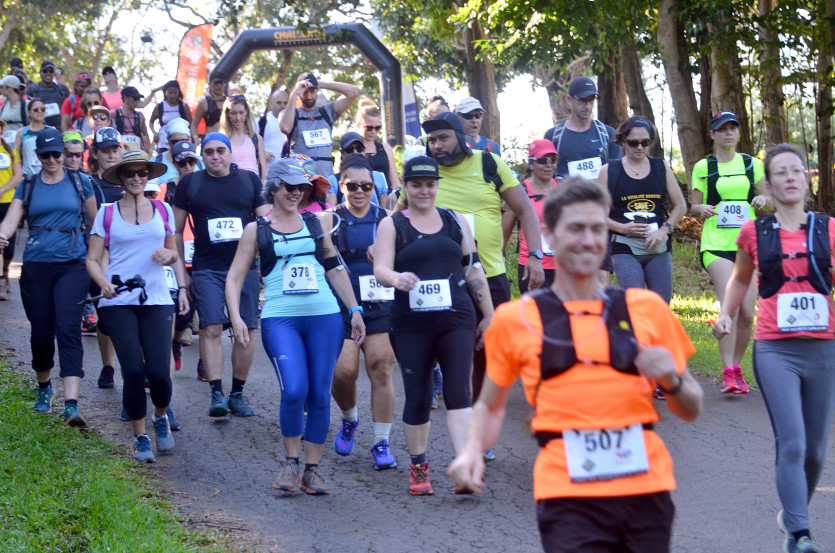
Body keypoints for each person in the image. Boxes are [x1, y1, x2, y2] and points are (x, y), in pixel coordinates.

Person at [448, 177, 703, 552]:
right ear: (550, 234)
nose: (588, 240)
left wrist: (672, 379)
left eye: (597, 228)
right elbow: (490, 405)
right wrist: (471, 450)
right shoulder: (517, 319)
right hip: (566, 494)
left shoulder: (647, 310)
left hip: (646, 489)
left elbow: (691, 408)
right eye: (575, 228)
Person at [713, 143, 834, 553]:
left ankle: (791, 513)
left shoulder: (829, 229)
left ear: (806, 179)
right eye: (780, 172)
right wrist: (726, 313)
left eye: (795, 170)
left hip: (823, 349)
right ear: (768, 184)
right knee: (793, 442)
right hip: (776, 350)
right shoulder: (754, 232)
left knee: (815, 452)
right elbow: (740, 279)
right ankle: (800, 534)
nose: (789, 178)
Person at [225, 158, 366, 495]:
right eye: (289, 187)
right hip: (280, 318)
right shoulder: (256, 230)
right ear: (274, 187)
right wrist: (236, 317)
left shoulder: (316, 223)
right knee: (293, 390)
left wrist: (355, 309)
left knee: (319, 394)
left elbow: (334, 268)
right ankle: (290, 461)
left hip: (324, 317)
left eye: (301, 188)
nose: (296, 193)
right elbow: (234, 278)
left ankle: (312, 470)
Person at [417, 112, 544, 461]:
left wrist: (535, 255)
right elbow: (400, 215)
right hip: (440, 281)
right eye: (432, 140)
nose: (436, 146)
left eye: (443, 138)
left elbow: (525, 210)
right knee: (446, 354)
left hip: (489, 274)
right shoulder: (426, 171)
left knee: (485, 354)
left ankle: (476, 427)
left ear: (460, 137)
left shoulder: (489, 164)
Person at [375, 155, 493, 495]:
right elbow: (381, 269)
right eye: (416, 185)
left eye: (430, 184)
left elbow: (473, 268)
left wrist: (489, 314)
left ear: (438, 186)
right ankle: (418, 467)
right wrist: (396, 278)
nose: (424, 191)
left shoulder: (455, 220)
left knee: (458, 392)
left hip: (456, 317)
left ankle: (465, 466)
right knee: (419, 395)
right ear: (406, 187)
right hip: (412, 323)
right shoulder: (392, 224)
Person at [86, 144, 186, 462]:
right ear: (121, 178)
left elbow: (174, 253)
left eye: (141, 172)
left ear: (148, 175)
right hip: (118, 301)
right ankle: (140, 437)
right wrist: (103, 283)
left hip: (156, 298)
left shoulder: (163, 210)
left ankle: (160, 416)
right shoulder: (107, 212)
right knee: (132, 370)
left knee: (159, 372)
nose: (136, 178)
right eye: (129, 173)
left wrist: (169, 256)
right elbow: (92, 259)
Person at [0, 127, 98, 426]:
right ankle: (44, 386)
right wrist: (2, 236)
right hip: (36, 266)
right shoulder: (28, 185)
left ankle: (71, 405)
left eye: (57, 153)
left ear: (65, 153)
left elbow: (97, 223)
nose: (52, 159)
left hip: (72, 265)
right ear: (38, 156)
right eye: (46, 155)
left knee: (68, 328)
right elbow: (11, 221)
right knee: (41, 333)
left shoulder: (80, 182)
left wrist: (99, 262)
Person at [172, 132, 269, 417]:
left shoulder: (249, 180)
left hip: (244, 268)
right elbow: (175, 231)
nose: (215, 156)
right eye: (209, 152)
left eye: (220, 151)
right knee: (211, 327)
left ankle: (237, 393)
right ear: (202, 156)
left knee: (246, 331)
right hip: (207, 268)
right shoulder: (191, 183)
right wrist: (183, 275)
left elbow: (266, 222)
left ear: (230, 153)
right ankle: (216, 393)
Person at [691, 110, 767, 394]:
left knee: (747, 313)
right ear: (713, 134)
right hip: (716, 245)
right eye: (722, 129)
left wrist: (763, 198)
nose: (728, 133)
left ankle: (736, 367)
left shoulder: (751, 164)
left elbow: (770, 199)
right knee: (730, 307)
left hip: (748, 247)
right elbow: (693, 207)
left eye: (733, 128)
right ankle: (726, 372)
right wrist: (701, 208)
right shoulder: (704, 166)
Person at [329, 155, 397, 470]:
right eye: (352, 186)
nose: (359, 191)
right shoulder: (330, 220)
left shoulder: (387, 220)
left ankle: (381, 442)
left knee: (381, 366)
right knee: (343, 372)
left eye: (366, 186)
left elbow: (406, 258)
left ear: (374, 187)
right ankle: (350, 419)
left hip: (380, 303)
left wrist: (385, 256)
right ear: (341, 186)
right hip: (342, 305)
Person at [599, 117, 686, 305]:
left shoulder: (660, 167)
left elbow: (681, 206)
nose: (639, 147)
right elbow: (598, 215)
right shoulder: (609, 170)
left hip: (658, 247)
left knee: (661, 306)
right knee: (635, 304)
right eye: (633, 143)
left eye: (645, 142)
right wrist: (623, 228)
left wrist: (663, 231)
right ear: (622, 142)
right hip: (625, 247)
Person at [502, 139, 559, 293]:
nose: (548, 165)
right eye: (542, 160)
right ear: (531, 164)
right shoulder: (520, 192)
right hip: (533, 267)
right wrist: (500, 257)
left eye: (552, 160)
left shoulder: (564, 189)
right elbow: (504, 234)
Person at [279, 72, 360, 177]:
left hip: (326, 178)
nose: (309, 96)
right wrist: (294, 94)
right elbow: (285, 128)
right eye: (305, 91)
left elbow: (354, 91)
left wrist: (321, 83)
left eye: (312, 91)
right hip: (301, 179)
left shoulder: (327, 112)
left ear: (317, 90)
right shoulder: (291, 114)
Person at [543, 77, 622, 181]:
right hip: (565, 191)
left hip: (599, 191)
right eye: (583, 100)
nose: (588, 107)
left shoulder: (607, 134)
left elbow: (617, 175)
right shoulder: (553, 136)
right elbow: (543, 178)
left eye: (591, 101)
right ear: (569, 100)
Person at [326, 133, 388, 207]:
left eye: (359, 148)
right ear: (342, 153)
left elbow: (384, 210)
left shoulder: (378, 177)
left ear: (364, 151)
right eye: (349, 150)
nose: (355, 152)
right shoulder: (333, 180)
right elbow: (331, 211)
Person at [355, 98, 401, 193]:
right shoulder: (351, 149)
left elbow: (395, 181)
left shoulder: (385, 148)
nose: (373, 131)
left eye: (377, 128)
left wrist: (396, 196)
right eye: (369, 128)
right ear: (359, 125)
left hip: (387, 196)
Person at [218, 95, 266, 179]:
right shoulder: (222, 140)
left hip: (251, 183)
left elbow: (263, 172)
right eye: (233, 113)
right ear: (227, 114)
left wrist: (261, 186)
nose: (238, 118)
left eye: (241, 112)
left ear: (246, 112)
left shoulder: (256, 139)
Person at [0, 120, 22, 300]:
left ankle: (6, 270)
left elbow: (18, 176)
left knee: (9, 249)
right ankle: (0, 280)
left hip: (8, 202)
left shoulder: (11, 150)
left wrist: (2, 189)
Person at [15, 98, 56, 177]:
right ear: (29, 112)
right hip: (27, 176)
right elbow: (16, 157)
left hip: (48, 176)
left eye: (43, 109)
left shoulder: (52, 130)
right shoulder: (22, 132)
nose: (40, 111)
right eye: (36, 110)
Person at [150, 80, 192, 153]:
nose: (173, 95)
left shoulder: (183, 106)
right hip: (164, 143)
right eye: (170, 92)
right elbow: (151, 122)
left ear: (178, 92)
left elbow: (191, 123)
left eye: (175, 93)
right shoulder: (160, 107)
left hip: (181, 142)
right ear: (165, 93)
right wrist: (155, 133)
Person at [25, 61, 69, 129]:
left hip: (59, 130)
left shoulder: (62, 89)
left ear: (53, 73)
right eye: (45, 71)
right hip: (40, 130)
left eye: (51, 71)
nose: (48, 73)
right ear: (40, 73)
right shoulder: (32, 89)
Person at [112, 86, 152, 154]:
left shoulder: (140, 115)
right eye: (135, 99)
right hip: (120, 152)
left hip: (137, 152)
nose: (137, 102)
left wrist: (147, 148)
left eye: (138, 99)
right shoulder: (114, 114)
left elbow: (145, 133)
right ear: (125, 98)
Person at [190, 70, 226, 142]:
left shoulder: (230, 102)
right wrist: (196, 139)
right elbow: (193, 125)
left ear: (224, 84)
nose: (218, 85)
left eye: (220, 83)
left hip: (227, 140)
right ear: (210, 85)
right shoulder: (204, 102)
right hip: (210, 140)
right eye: (215, 83)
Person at [257, 89, 290, 167]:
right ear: (271, 104)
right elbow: (249, 145)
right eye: (279, 103)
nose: (283, 106)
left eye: (285, 103)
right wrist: (260, 154)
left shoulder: (293, 122)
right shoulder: (260, 122)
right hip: (267, 171)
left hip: (289, 171)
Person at [0, 74, 28, 145]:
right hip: (5, 147)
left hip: (21, 145)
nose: (0, 89)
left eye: (2, 87)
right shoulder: (3, 107)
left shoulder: (26, 105)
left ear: (10, 88)